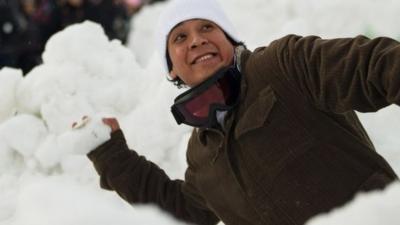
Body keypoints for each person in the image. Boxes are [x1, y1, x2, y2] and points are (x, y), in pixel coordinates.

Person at [86, 0, 399, 224]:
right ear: (171, 70)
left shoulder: (283, 65)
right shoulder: (201, 153)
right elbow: (183, 210)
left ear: (230, 39)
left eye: (207, 26)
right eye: (179, 37)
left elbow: (375, 67)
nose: (196, 40)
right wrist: (109, 152)